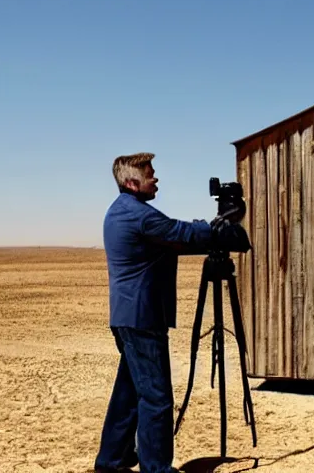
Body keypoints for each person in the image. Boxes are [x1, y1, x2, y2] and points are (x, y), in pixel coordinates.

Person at [94, 152, 246, 473]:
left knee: (131, 391)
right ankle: (156, 468)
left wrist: (213, 233)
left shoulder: (121, 211)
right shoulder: (140, 215)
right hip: (143, 318)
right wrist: (220, 228)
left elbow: (174, 240)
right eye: (150, 175)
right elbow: (178, 232)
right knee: (156, 398)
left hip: (129, 317)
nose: (156, 179)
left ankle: (113, 458)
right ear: (133, 183)